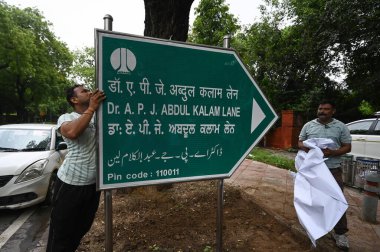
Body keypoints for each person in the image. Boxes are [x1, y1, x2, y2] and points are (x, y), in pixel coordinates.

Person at [47, 84, 106, 252]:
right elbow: (72, 132)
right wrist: (92, 108)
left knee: (81, 229)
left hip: (94, 185)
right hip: (70, 184)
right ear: (74, 99)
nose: (89, 92)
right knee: (61, 233)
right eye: (84, 91)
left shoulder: (99, 115)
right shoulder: (66, 117)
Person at [298, 99, 352, 250]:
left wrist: (332, 152)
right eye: (320, 108)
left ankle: (340, 234)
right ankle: (314, 230)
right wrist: (308, 148)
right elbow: (300, 143)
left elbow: (347, 147)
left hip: (332, 170)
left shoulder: (341, 127)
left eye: (326, 109)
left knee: (338, 200)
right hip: (312, 170)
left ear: (333, 111)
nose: (322, 111)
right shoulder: (309, 125)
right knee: (312, 201)